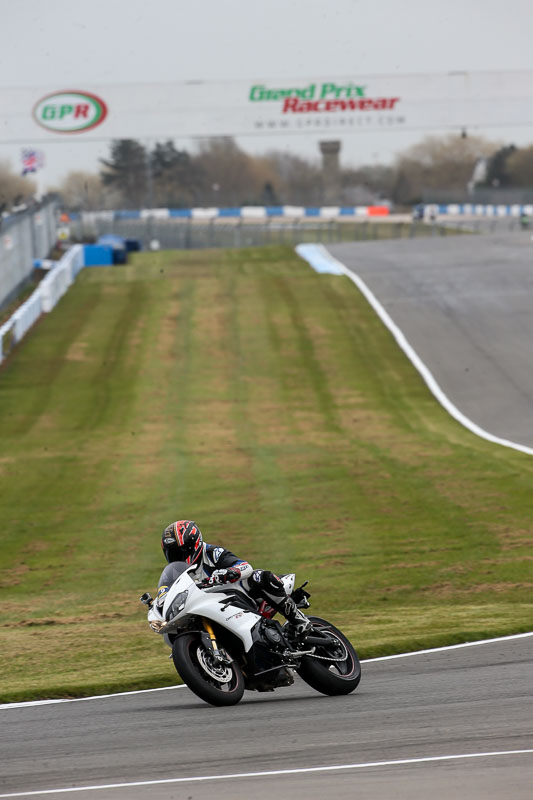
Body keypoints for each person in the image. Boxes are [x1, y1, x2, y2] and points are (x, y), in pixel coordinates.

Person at [156, 519, 312, 640]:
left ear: (194, 545)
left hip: (237, 595)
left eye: (182, 551)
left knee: (259, 576)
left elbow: (245, 566)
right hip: (207, 606)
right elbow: (165, 591)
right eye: (172, 553)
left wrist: (231, 572)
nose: (178, 557)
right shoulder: (175, 571)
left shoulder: (212, 552)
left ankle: (299, 620)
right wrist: (159, 603)